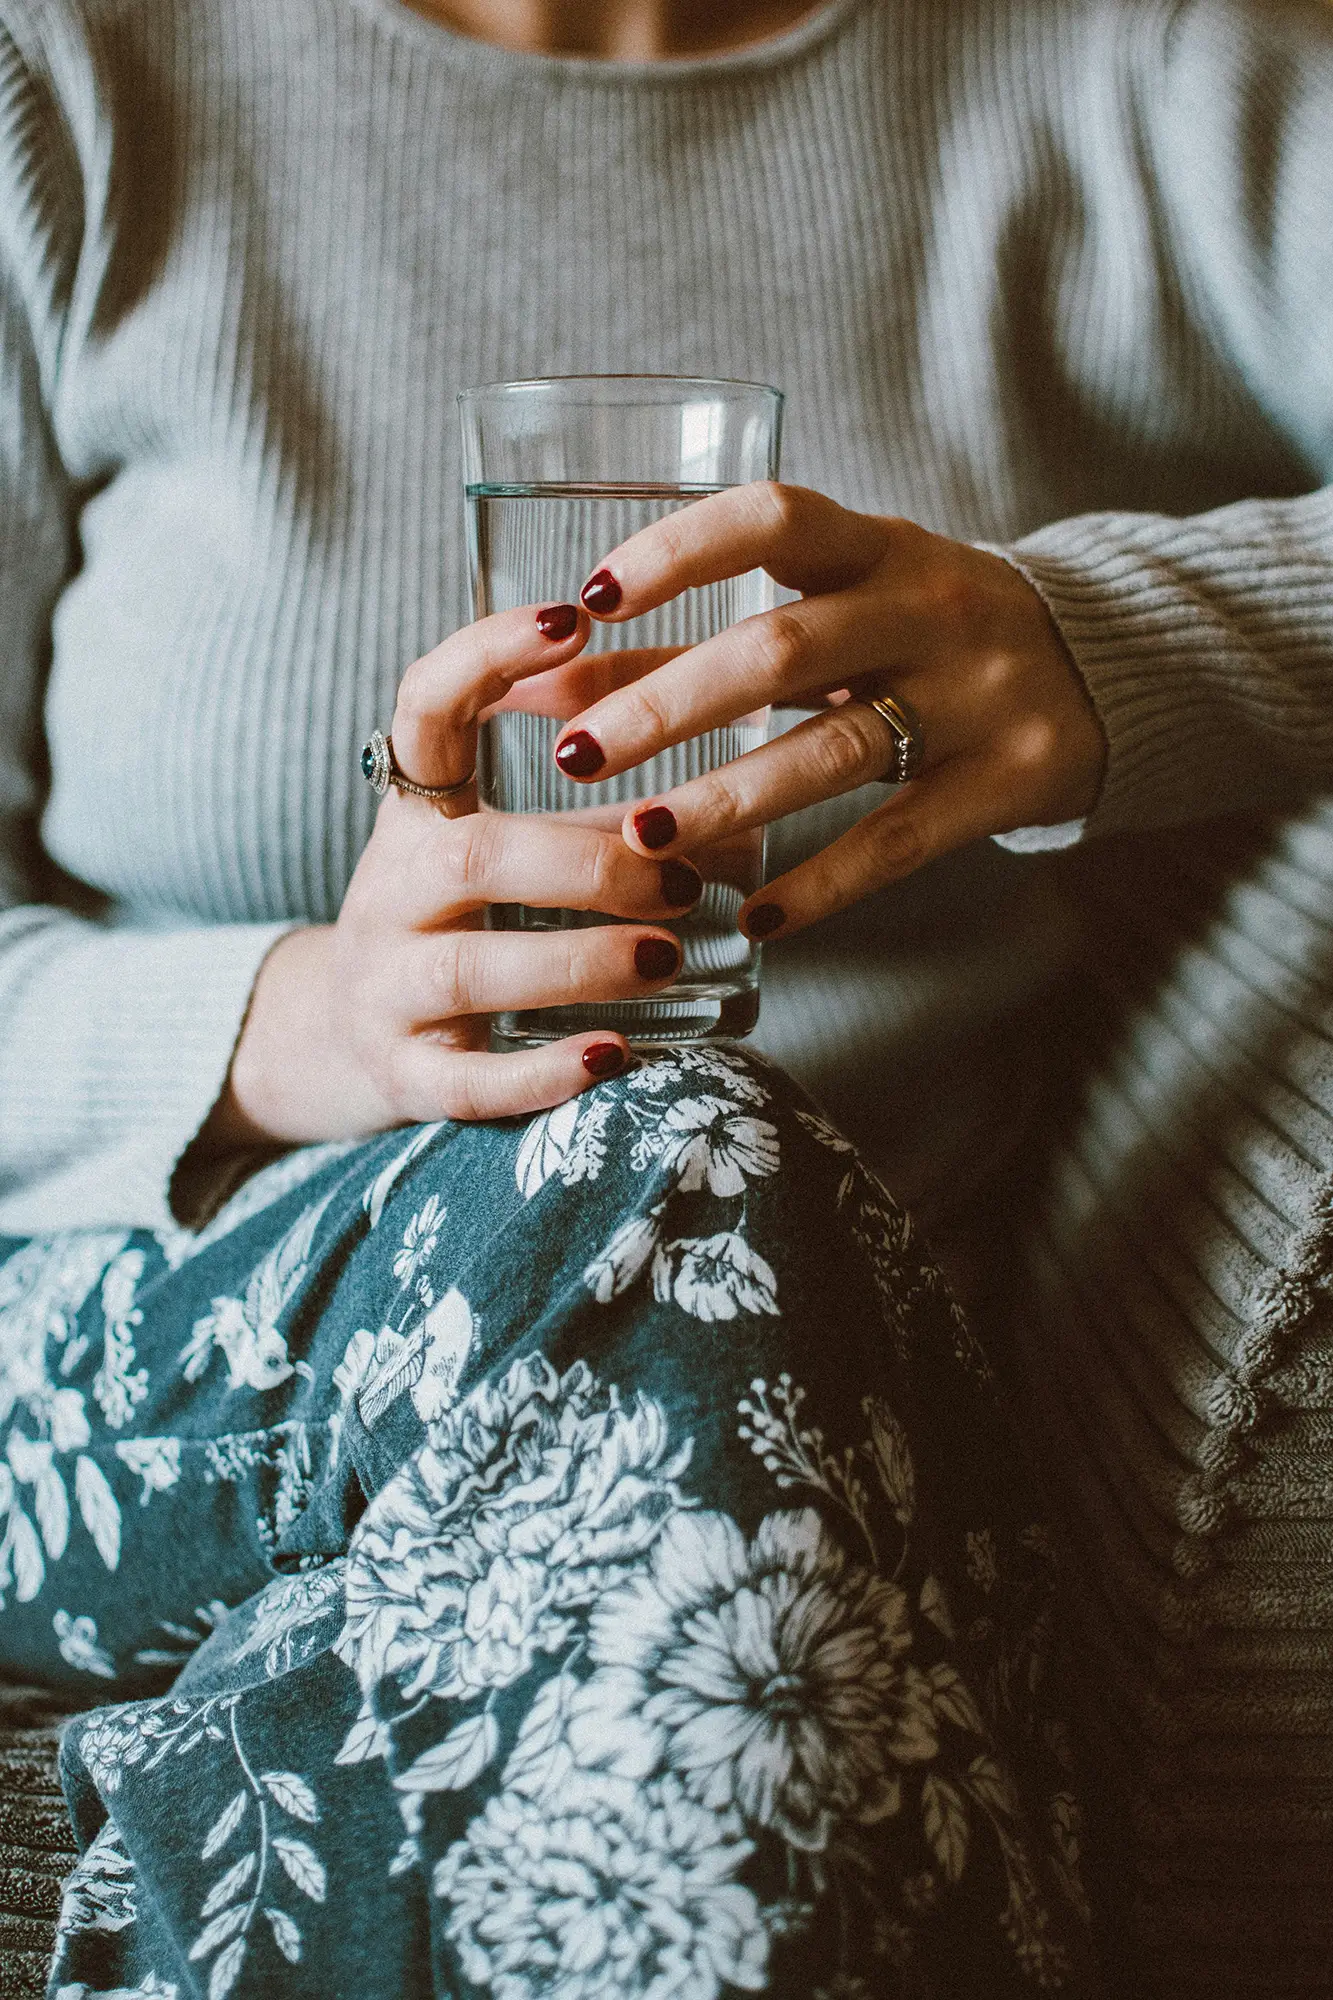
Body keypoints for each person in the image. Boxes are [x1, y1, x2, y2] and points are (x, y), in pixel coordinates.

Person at [0, 0, 1329, 1992]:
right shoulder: (74, 84)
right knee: (668, 1164)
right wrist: (304, 1026)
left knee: (680, 1204)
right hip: (143, 1314)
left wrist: (1105, 640)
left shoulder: (1146, 64)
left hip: (801, 1363)